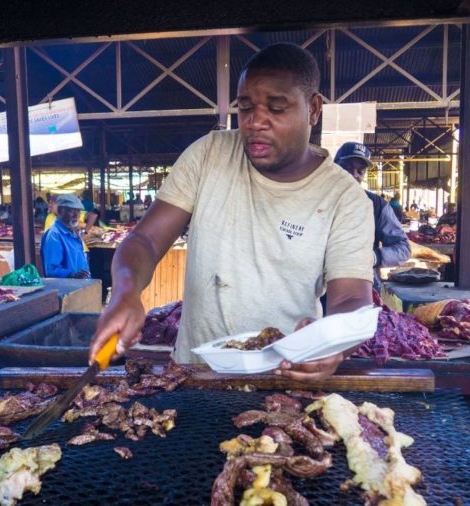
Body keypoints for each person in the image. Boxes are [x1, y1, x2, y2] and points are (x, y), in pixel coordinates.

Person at [90, 43, 374, 382]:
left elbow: (353, 298)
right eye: (246, 107)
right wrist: (125, 292)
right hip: (193, 377)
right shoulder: (209, 154)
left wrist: (332, 343)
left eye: (276, 107)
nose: (255, 122)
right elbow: (145, 241)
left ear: (313, 109)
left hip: (283, 380)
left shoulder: (345, 197)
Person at [334, 142, 411, 289]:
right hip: (317, 290)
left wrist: (374, 257)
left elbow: (403, 248)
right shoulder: (317, 199)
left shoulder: (377, 206)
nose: (354, 175)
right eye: (347, 168)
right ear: (334, 167)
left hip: (362, 287)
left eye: (360, 171)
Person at [41, 194, 91, 279]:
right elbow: (51, 270)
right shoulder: (54, 235)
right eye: (71, 211)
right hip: (67, 289)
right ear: (60, 211)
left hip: (80, 286)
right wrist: (72, 274)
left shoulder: (73, 232)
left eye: (78, 211)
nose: (76, 215)